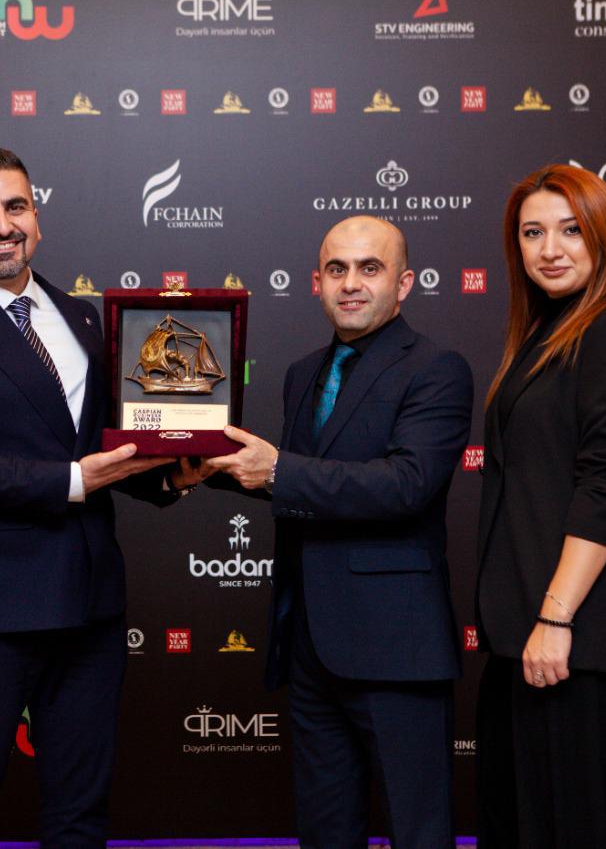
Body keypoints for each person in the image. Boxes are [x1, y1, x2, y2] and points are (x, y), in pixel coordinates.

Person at [0, 145, 195, 848]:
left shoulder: (84, 317)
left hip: (88, 605)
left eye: (16, 206)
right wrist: (73, 481)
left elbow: (104, 445)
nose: (2, 225)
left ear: (37, 216)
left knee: (80, 817)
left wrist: (171, 477)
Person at [207, 215, 473, 849]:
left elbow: (406, 484)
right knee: (325, 833)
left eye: (369, 268)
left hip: (397, 649)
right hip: (311, 646)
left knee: (418, 833)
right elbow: (292, 481)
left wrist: (277, 469)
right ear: (316, 283)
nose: (350, 283)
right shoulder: (303, 372)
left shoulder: (437, 368)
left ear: (403, 283)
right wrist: (198, 466)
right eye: (336, 269)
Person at [474, 164, 606, 848]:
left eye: (570, 230)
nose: (549, 249)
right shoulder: (545, 333)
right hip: (527, 640)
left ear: (604, 236)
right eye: (532, 233)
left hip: (576, 641)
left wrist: (556, 617)